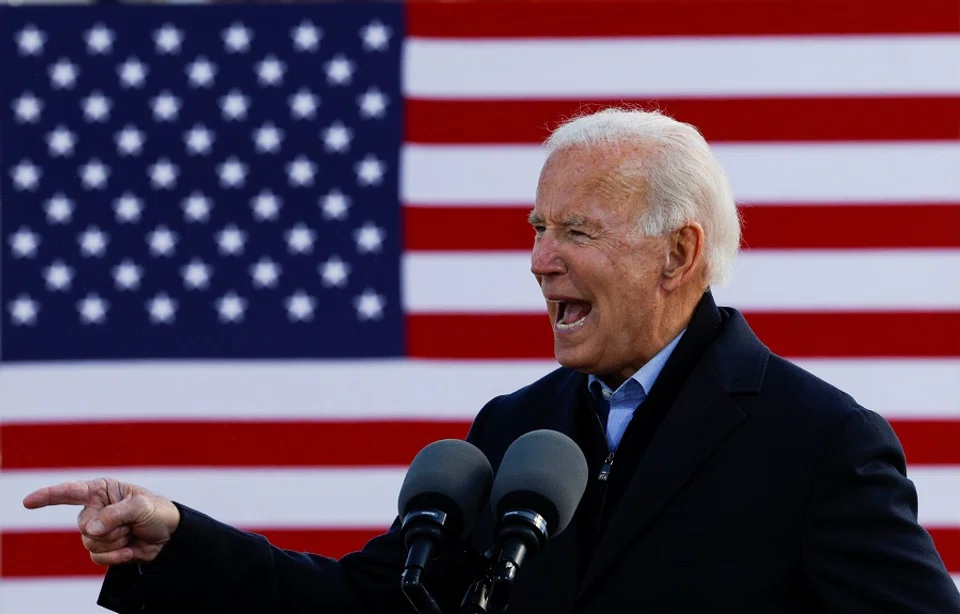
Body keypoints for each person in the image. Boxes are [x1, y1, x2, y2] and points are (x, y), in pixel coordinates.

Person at [23, 108, 960, 613]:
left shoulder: (819, 444)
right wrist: (177, 539)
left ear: (679, 255)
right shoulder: (516, 433)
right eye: (538, 228)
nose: (539, 260)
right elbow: (372, 605)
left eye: (577, 231)